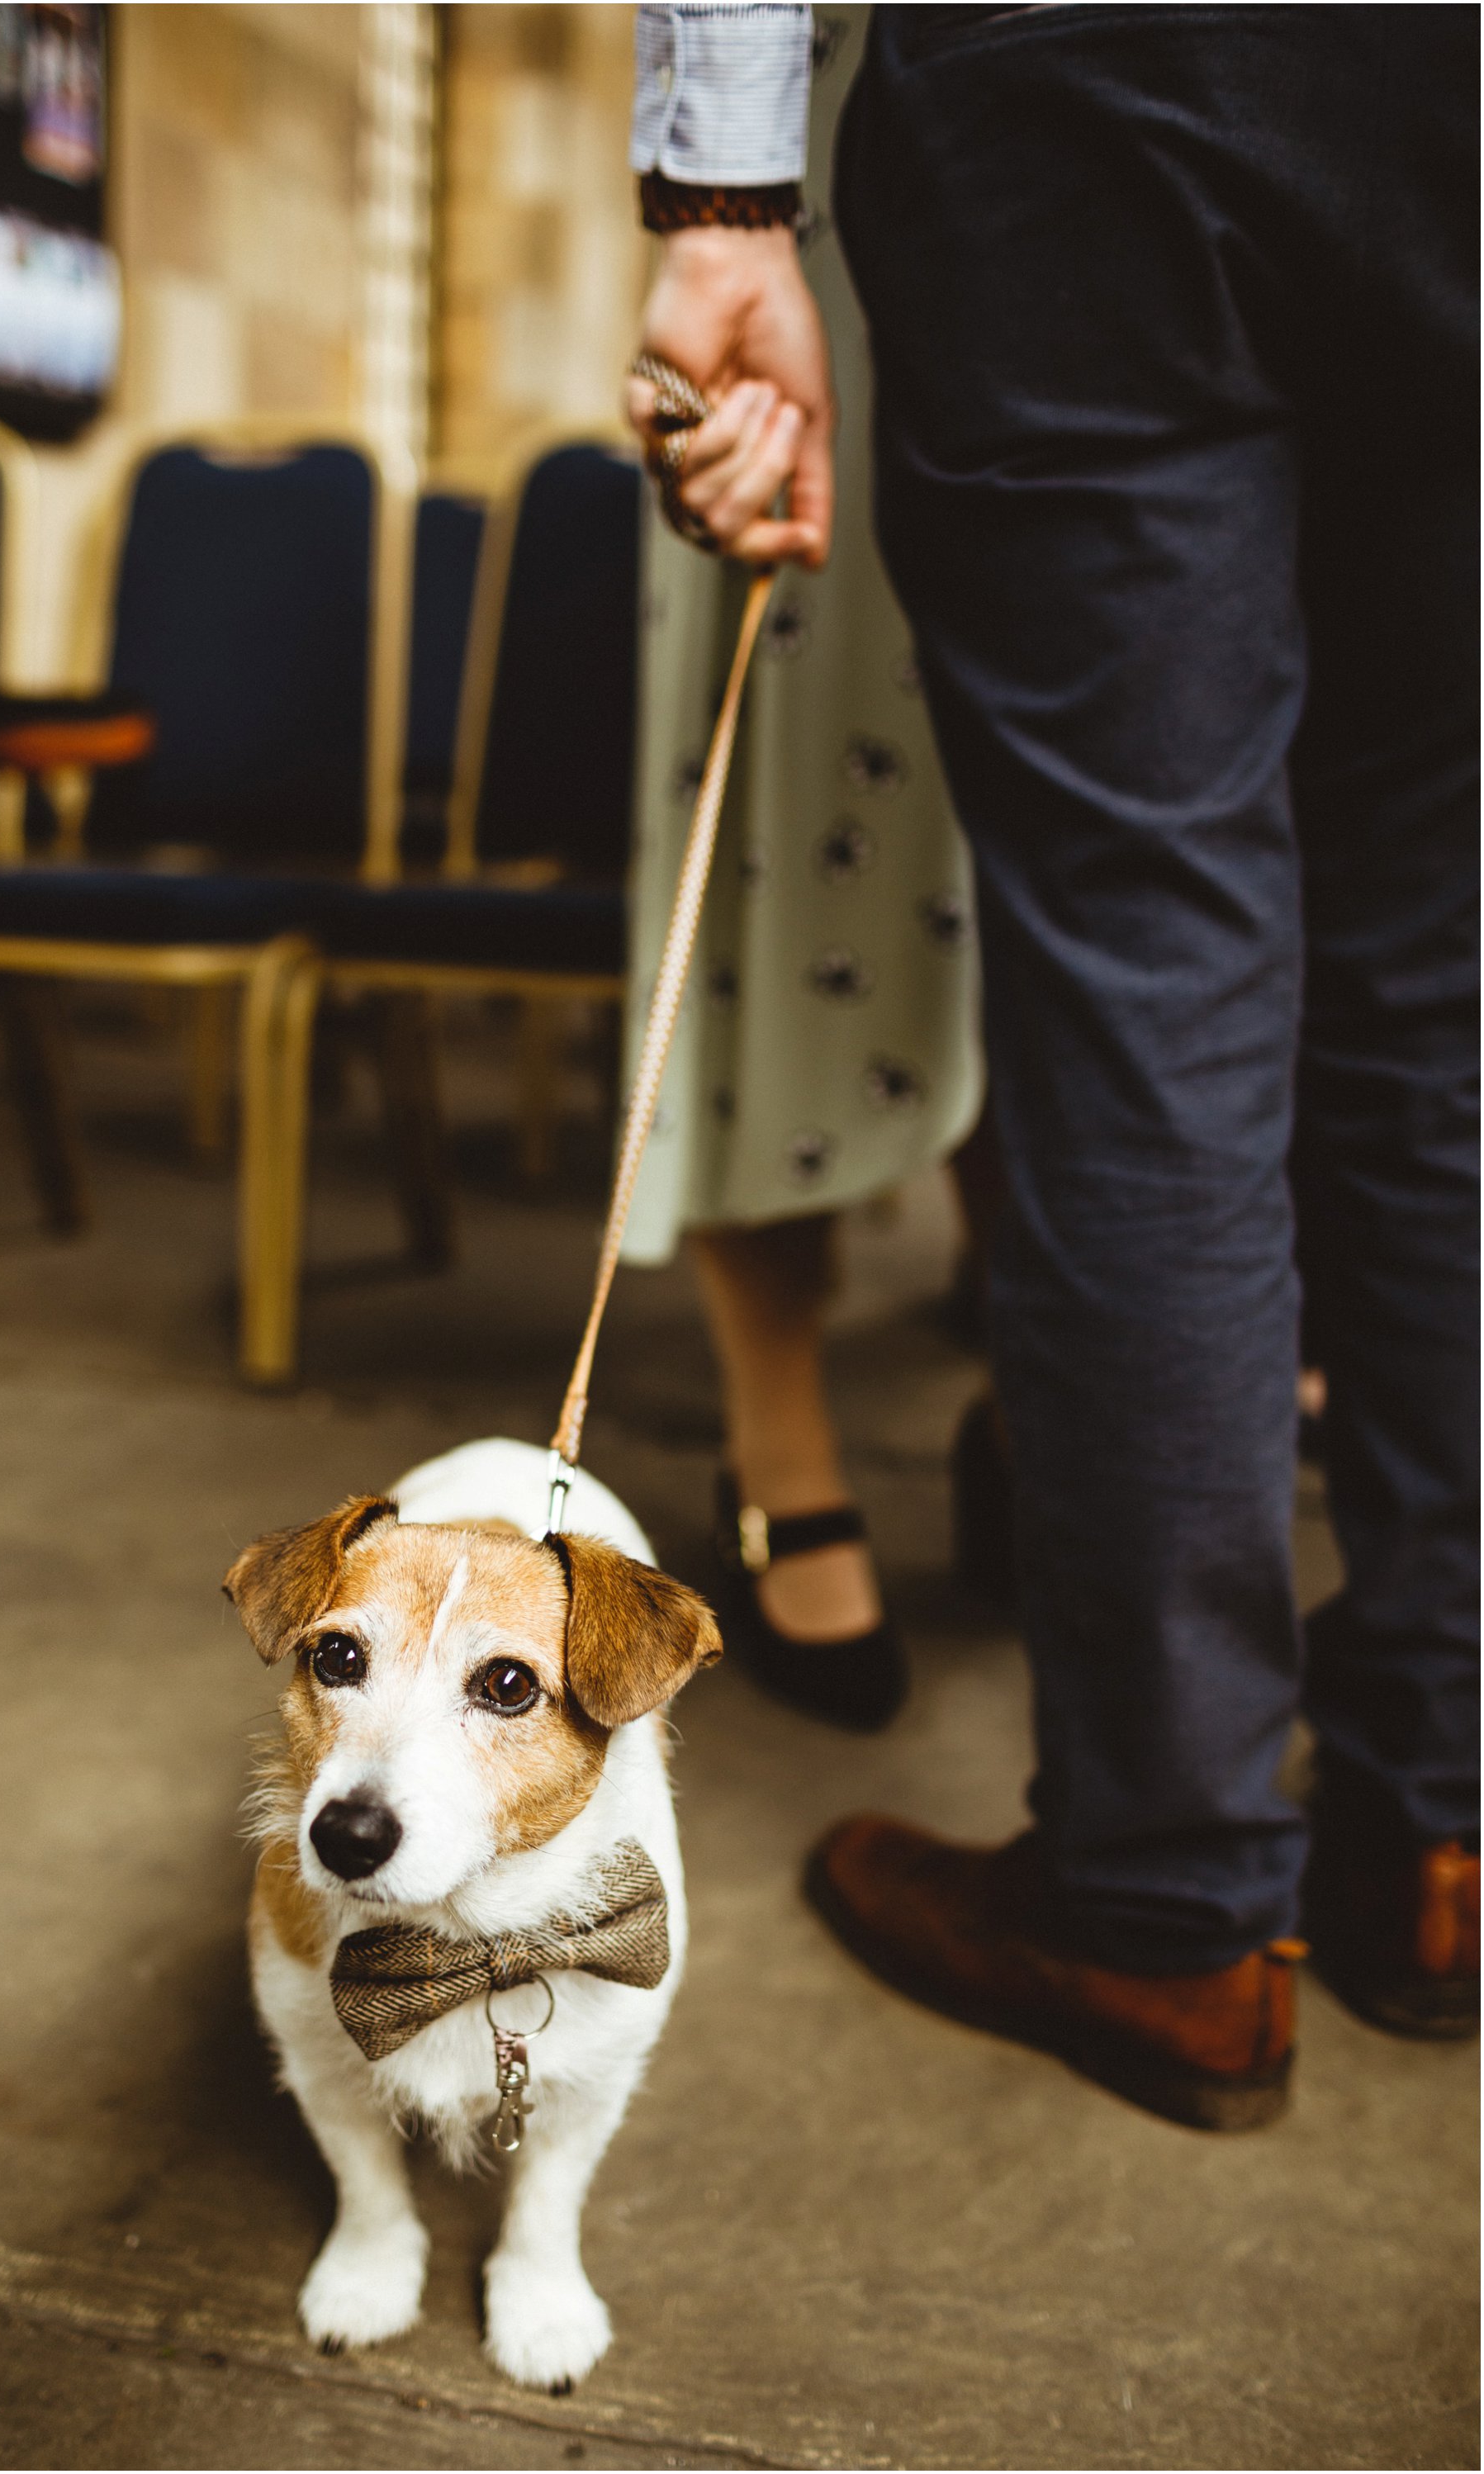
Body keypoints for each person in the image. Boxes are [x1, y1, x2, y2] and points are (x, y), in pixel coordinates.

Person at [626, 1, 1479, 2130]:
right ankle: (1442, 1833)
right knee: (1441, 1002)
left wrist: (725, 203)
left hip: (1091, 82)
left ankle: (1166, 1907)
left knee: (1144, 997)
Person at [623, 2, 982, 1733]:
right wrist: (726, 199)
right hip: (838, 152)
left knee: (1089, 864)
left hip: (1152, 161)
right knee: (793, 812)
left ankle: (1061, 1383)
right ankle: (778, 1419)